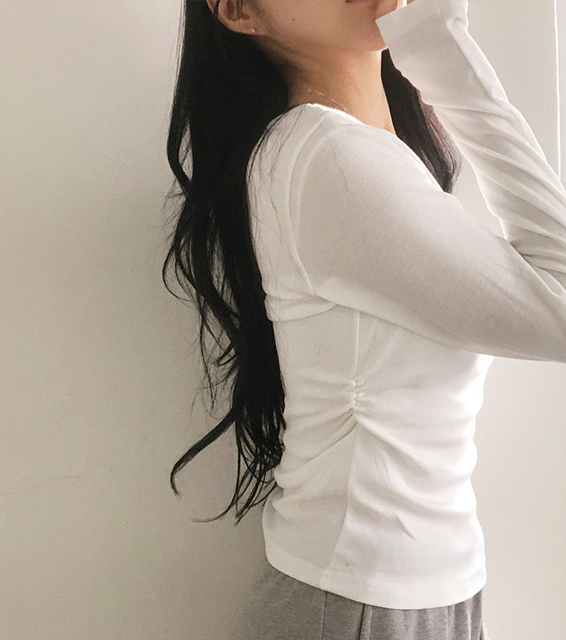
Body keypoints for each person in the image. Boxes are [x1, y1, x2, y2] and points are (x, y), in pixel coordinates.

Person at [164, 0, 566, 637]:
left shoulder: (364, 155)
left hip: (415, 586)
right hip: (362, 600)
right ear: (239, 11)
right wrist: (443, 54)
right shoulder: (328, 156)